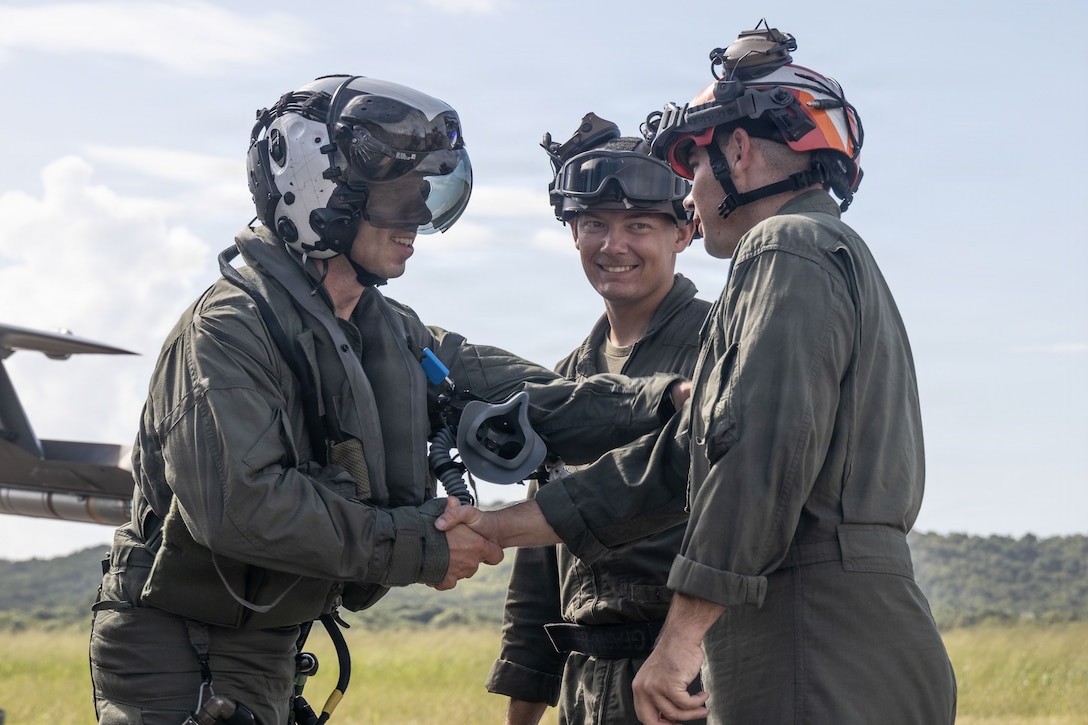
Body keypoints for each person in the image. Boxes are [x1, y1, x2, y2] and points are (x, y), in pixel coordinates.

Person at [87, 74, 687, 725]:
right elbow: (245, 505)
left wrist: (665, 401)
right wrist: (423, 545)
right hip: (182, 651)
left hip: (264, 647)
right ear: (321, 195)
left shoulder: (385, 331)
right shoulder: (228, 330)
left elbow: (539, 398)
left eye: (423, 196)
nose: (419, 219)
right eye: (398, 200)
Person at [437, 22, 958, 724]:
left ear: (737, 151)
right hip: (827, 635)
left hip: (813, 637)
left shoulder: (785, 247)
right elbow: (677, 462)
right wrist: (499, 527)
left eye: (695, 168)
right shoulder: (821, 252)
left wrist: (679, 640)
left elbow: (759, 459)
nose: (693, 192)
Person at [486, 113, 710, 724]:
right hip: (586, 691)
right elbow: (537, 577)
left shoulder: (723, 347)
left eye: (638, 225)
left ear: (683, 232)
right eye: (594, 225)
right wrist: (522, 714)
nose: (614, 246)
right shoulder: (565, 380)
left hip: (691, 683)